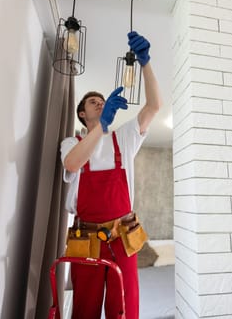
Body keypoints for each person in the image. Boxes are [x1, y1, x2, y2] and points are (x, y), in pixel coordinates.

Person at [60, 31, 161, 319]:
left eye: (102, 100)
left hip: (122, 236)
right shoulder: (73, 143)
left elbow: (154, 106)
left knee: (125, 308)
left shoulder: (124, 137)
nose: (99, 102)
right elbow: (72, 164)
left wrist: (146, 63)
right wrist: (100, 129)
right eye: (93, 102)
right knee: (85, 308)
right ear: (82, 114)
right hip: (86, 239)